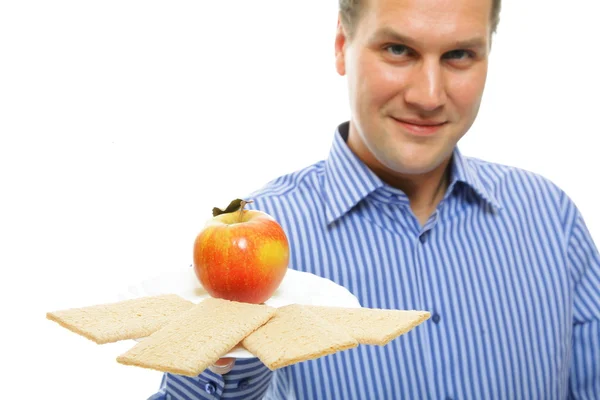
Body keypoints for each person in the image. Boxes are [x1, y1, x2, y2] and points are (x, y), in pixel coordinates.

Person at [150, 0, 600, 398]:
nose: (428, 96)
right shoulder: (255, 245)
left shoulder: (551, 217)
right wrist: (217, 363)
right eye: (399, 50)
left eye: (459, 54)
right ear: (342, 45)